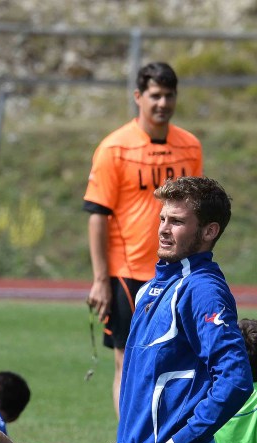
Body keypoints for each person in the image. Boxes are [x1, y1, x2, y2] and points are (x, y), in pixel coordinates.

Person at [113, 176, 252, 443]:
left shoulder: (202, 289)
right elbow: (146, 380)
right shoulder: (152, 287)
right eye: (162, 219)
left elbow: (235, 379)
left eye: (176, 221)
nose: (163, 229)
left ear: (209, 231)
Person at [83, 62, 203, 415]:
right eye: (155, 95)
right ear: (138, 96)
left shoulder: (190, 147)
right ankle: (128, 440)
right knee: (128, 360)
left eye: (169, 95)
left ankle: (163, 434)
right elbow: (98, 215)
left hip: (177, 270)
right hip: (129, 272)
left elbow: (197, 209)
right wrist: (101, 280)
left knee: (177, 357)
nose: (162, 103)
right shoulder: (115, 148)